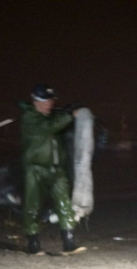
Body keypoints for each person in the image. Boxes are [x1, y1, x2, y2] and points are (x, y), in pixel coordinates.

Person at [18, 83, 84, 255]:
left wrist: (70, 113)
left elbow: (59, 125)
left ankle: (69, 243)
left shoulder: (54, 116)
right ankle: (33, 243)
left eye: (51, 100)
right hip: (35, 168)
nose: (49, 104)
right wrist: (70, 115)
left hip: (57, 169)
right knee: (33, 205)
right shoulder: (29, 118)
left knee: (64, 203)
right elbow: (49, 127)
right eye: (45, 100)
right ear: (35, 101)